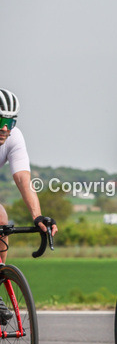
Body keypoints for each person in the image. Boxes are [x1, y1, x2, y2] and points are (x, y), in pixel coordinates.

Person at [0, 88, 57, 325]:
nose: (5, 129)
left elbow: (23, 179)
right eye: (0, 121)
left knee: (1, 220)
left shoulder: (13, 137)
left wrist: (38, 216)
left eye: (10, 122)